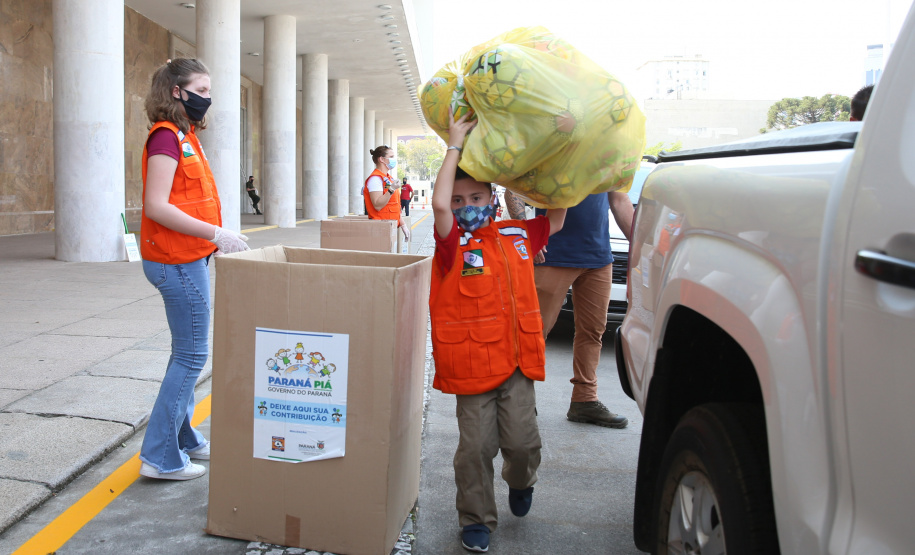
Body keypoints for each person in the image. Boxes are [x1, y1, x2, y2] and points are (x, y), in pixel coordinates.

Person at [431, 111, 567, 553]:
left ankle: (520, 481)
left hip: (517, 364)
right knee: (475, 449)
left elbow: (559, 215)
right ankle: (475, 519)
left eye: (474, 196)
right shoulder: (453, 245)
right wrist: (455, 144)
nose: (465, 206)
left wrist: (552, 155)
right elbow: (437, 205)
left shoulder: (518, 234)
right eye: (457, 200)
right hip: (473, 367)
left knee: (523, 444)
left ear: (493, 197)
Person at [139, 58, 250, 480]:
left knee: (186, 353)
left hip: (187, 257)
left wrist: (211, 238)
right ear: (176, 91)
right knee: (190, 356)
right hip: (176, 261)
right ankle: (160, 457)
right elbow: (157, 206)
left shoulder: (185, 136)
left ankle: (182, 437)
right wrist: (216, 234)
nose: (207, 97)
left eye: (209, 90)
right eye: (200, 89)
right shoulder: (166, 138)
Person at [505, 185, 633, 429]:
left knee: (593, 331)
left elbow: (619, 201)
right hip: (552, 254)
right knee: (533, 331)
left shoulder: (607, 157)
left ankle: (585, 400)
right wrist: (528, 233)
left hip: (598, 256)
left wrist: (640, 245)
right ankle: (517, 399)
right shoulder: (557, 149)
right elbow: (513, 192)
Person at [364, 145, 410, 242]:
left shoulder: (387, 178)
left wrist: (403, 224)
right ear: (382, 159)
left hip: (389, 226)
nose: (394, 160)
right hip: (380, 228)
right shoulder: (375, 179)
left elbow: (393, 205)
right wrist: (391, 189)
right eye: (391, 157)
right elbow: (377, 205)